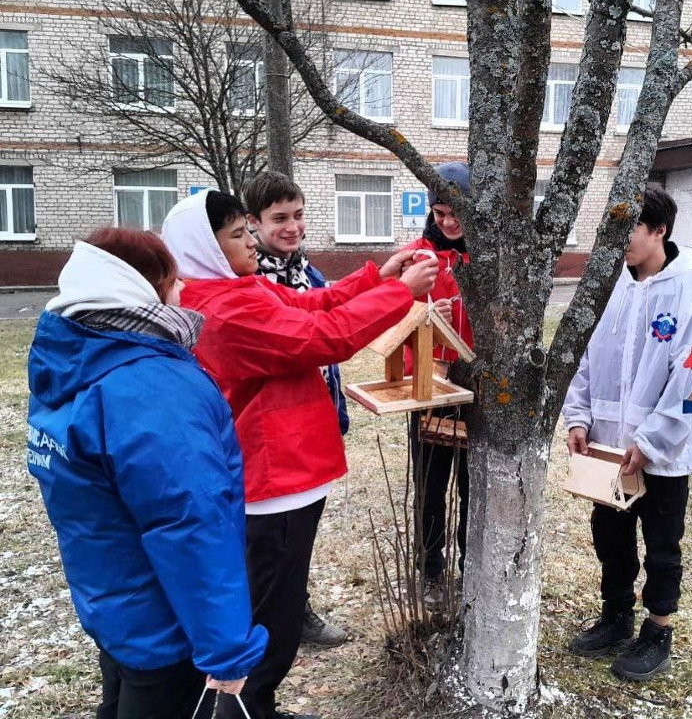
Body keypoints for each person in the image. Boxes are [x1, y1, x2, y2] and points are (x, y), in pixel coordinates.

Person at [161, 189, 437, 719]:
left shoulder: (233, 289)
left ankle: (255, 703)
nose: (251, 242)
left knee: (274, 605)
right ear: (207, 247)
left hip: (285, 474)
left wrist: (377, 277)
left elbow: (308, 303)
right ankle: (245, 706)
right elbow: (323, 335)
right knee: (272, 616)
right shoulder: (226, 307)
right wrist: (399, 293)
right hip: (274, 480)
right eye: (239, 235)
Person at [27, 228, 267, 719]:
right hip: (166, 628)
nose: (182, 292)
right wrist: (226, 651)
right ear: (144, 288)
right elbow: (190, 523)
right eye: (173, 281)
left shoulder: (71, 358)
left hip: (114, 605)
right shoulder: (151, 387)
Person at [562, 186, 692, 682]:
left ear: (660, 231)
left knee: (663, 540)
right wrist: (579, 418)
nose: (621, 239)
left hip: (664, 450)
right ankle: (615, 614)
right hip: (609, 444)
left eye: (631, 227)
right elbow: (587, 358)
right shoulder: (612, 285)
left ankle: (657, 628)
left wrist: (650, 441)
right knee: (610, 535)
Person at [245, 170, 349, 649]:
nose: (292, 226)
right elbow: (316, 336)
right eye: (279, 218)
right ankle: (269, 620)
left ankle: (294, 607)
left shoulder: (307, 272)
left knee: (299, 533)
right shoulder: (250, 281)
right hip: (272, 433)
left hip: (312, 420)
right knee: (271, 541)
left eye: (299, 215)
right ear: (253, 223)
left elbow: (329, 317)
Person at [403, 161, 474, 606]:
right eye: (439, 212)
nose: (447, 221)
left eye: (455, 212)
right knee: (430, 483)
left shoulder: (489, 255)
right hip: (429, 382)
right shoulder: (417, 255)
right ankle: (430, 570)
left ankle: (472, 566)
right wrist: (422, 316)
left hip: (476, 387)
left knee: (472, 484)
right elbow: (388, 318)